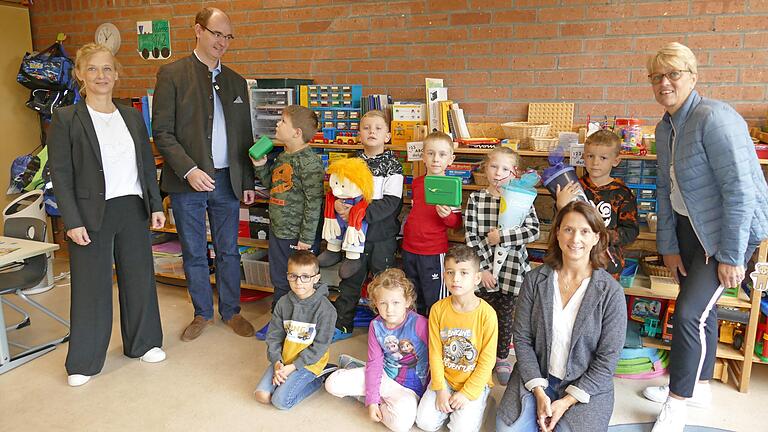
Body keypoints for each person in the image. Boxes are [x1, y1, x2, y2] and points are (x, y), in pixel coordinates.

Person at [643, 42, 768, 432]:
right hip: (687, 231)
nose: (664, 83)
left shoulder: (715, 118)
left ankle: (678, 405)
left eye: (673, 74)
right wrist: (668, 245)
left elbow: (741, 191)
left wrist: (732, 255)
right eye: (657, 77)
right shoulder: (666, 127)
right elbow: (664, 189)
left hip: (725, 235)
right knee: (703, 313)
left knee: (689, 314)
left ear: (693, 76)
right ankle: (698, 387)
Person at [47, 43, 166, 387]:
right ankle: (84, 361)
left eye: (108, 69)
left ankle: (144, 343)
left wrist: (156, 204)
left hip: (131, 207)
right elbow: (61, 173)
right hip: (89, 214)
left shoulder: (130, 116)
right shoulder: (66, 119)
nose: (102, 76)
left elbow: (146, 165)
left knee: (139, 279)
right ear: (81, 75)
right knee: (91, 287)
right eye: (94, 69)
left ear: (116, 74)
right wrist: (71, 220)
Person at [152, 7, 256, 341]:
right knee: (194, 251)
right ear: (198, 30)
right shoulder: (172, 75)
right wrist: (190, 169)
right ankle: (201, 313)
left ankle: (231, 311)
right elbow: (162, 133)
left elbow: (245, 137)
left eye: (228, 36)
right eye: (216, 34)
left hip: (228, 180)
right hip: (188, 182)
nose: (222, 42)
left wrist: (248, 182)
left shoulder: (236, 81)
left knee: (228, 250)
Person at [496, 200, 627, 432]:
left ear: (596, 237)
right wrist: (538, 391)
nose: (575, 239)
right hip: (536, 377)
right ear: (557, 234)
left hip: (585, 387)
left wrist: (566, 402)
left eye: (585, 231)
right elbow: (523, 340)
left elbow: (607, 360)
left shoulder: (610, 292)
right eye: (568, 229)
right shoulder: (535, 280)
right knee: (507, 429)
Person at [320, 110, 404, 341]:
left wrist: (360, 213)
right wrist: (338, 206)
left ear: (387, 136)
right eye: (366, 128)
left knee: (384, 283)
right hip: (353, 236)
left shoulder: (393, 165)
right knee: (350, 281)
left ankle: (390, 328)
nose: (372, 132)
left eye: (378, 128)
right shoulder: (351, 162)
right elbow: (337, 190)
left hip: (381, 236)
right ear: (359, 134)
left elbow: (392, 203)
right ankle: (343, 325)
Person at [464, 147, 539, 385]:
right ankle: (477, 354)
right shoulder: (477, 199)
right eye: (494, 167)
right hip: (483, 272)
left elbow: (533, 231)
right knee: (480, 315)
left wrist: (503, 238)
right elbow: (471, 237)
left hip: (511, 270)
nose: (498, 173)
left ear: (514, 173)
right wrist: (482, 269)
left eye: (505, 169)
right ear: (485, 168)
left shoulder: (523, 199)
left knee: (505, 316)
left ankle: (501, 357)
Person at [251, 105, 324, 340]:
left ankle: (296, 324)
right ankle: (279, 321)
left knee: (299, 281)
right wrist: (261, 165)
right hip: (278, 230)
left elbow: (314, 204)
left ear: (297, 132)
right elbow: (274, 184)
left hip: (297, 236)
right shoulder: (283, 155)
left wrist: (305, 238)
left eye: (282, 121)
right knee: (280, 279)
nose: (277, 125)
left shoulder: (310, 164)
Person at [325, 268, 429, 432]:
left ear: (407, 301)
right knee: (332, 384)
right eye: (383, 303)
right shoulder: (376, 325)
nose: (389, 309)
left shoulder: (420, 324)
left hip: (408, 388)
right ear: (375, 304)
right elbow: (375, 363)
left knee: (401, 425)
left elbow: (437, 356)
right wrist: (372, 402)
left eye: (396, 303)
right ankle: (372, 394)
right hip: (383, 375)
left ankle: (359, 378)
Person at [415, 245, 498, 432]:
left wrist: (467, 393)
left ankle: (481, 400)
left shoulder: (487, 314)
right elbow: (435, 353)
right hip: (446, 379)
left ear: (477, 278)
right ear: (444, 275)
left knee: (461, 429)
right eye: (450, 272)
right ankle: (451, 404)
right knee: (425, 423)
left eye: (464, 273)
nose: (456, 279)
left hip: (473, 381)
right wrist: (440, 389)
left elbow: (487, 361)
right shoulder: (437, 309)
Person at [253, 251, 337, 410]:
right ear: (287, 276)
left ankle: (319, 377)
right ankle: (286, 376)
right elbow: (274, 337)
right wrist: (277, 362)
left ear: (316, 278)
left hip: (308, 363)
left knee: (281, 402)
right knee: (262, 396)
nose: (299, 282)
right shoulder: (283, 303)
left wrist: (293, 367)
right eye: (293, 276)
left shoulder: (326, 310)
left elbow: (320, 346)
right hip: (285, 360)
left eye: (305, 276)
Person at [555, 129, 639, 278]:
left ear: (616, 161)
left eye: (603, 158)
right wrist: (560, 207)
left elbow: (630, 232)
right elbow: (560, 227)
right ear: (583, 157)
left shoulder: (622, 192)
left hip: (607, 265)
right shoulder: (574, 188)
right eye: (590, 156)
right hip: (574, 262)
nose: (595, 162)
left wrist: (599, 236)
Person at [402, 131, 463, 316]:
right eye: (430, 153)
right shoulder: (418, 183)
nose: (436, 159)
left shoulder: (452, 186)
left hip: (433, 252)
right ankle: (415, 333)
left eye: (442, 154)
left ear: (450, 159)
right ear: (423, 157)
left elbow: (456, 223)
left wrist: (447, 216)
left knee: (435, 298)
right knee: (412, 295)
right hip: (409, 248)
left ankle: (434, 334)